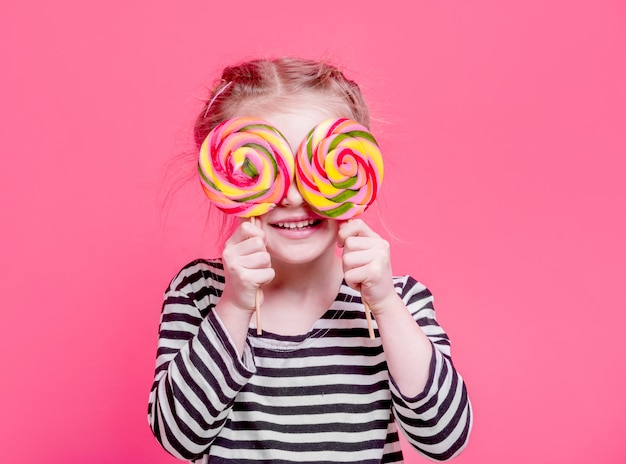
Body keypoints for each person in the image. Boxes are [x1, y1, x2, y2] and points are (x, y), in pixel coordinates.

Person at [148, 57, 472, 463]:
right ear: (227, 174)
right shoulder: (201, 291)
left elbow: (444, 439)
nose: (294, 197)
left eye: (315, 169)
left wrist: (386, 305)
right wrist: (233, 305)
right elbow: (180, 438)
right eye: (262, 168)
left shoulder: (399, 299)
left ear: (354, 172)